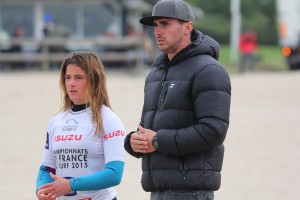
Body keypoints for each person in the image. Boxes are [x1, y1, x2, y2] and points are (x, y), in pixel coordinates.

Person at [124, 0, 231, 200]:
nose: (157, 31)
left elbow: (213, 131)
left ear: (187, 27)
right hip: (156, 191)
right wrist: (134, 141)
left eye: (165, 24)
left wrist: (157, 140)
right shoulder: (156, 73)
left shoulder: (209, 71)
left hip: (190, 192)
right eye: (155, 25)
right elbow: (148, 128)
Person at [36, 52, 126, 200]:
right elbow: (46, 168)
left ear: (94, 81)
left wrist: (71, 184)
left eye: (79, 77)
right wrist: (41, 189)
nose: (71, 83)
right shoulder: (56, 121)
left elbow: (114, 174)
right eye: (67, 77)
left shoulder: (109, 120)